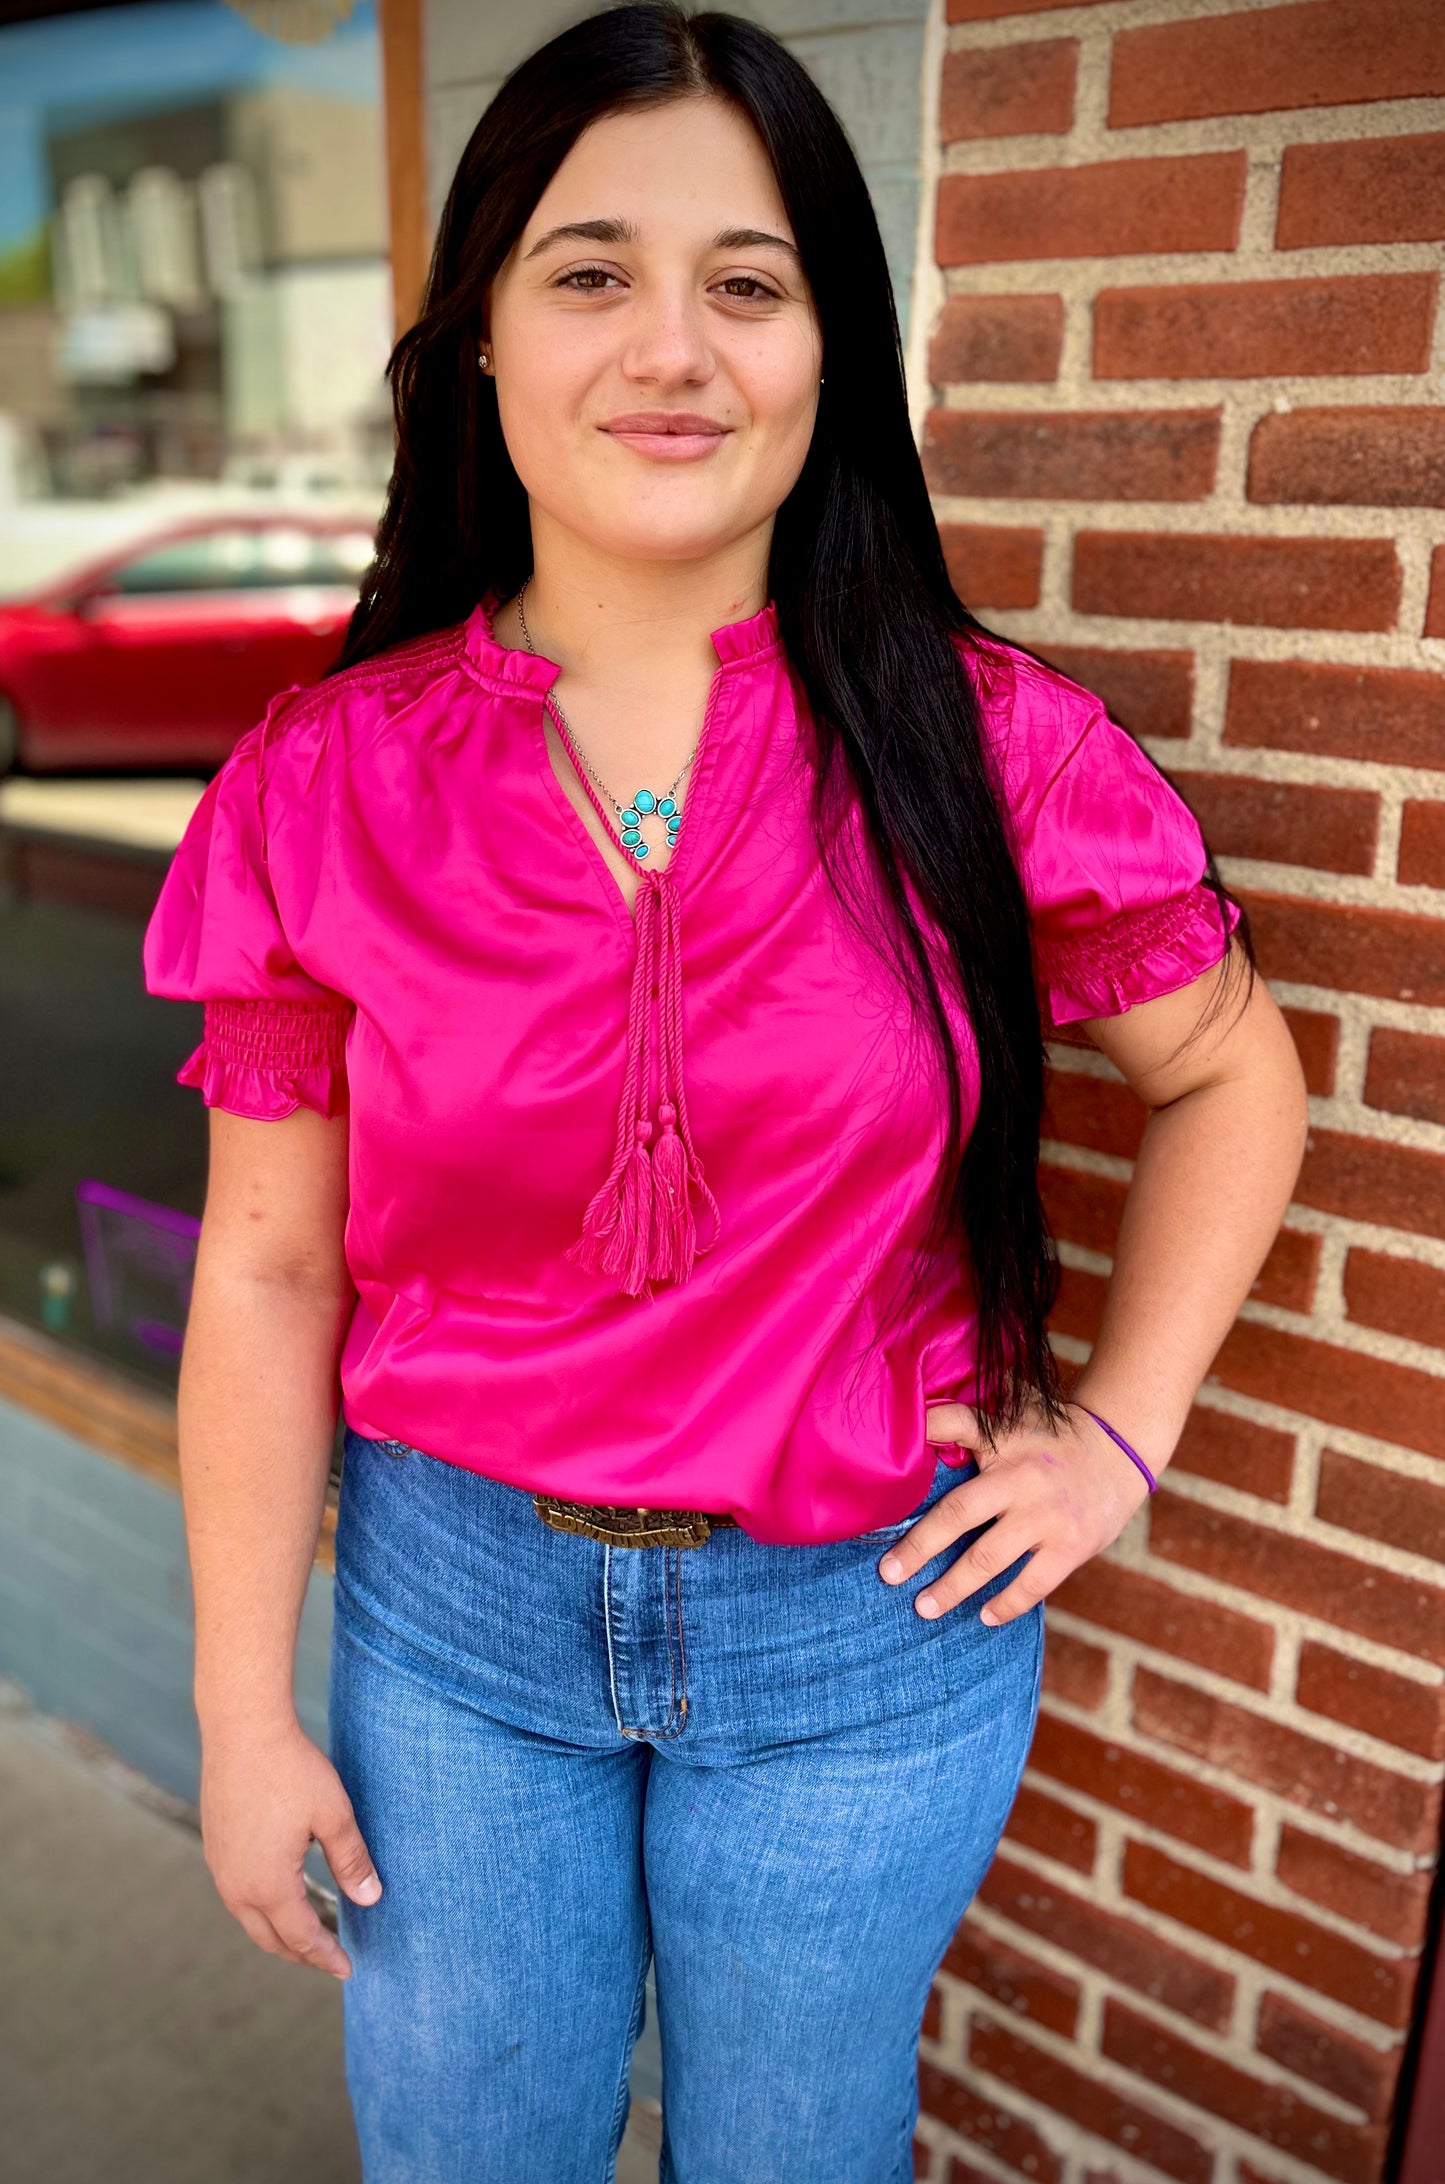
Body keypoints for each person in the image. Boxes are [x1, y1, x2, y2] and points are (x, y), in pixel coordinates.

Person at [142, 7, 1308, 2179]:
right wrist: (237, 1706)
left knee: (801, 2152)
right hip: (455, 1629)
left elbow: (1234, 1070)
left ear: (829, 354)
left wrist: (1117, 1438)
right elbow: (278, 1265)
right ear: (479, 337)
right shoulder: (325, 784)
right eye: (589, 272)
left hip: (873, 1630)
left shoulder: (996, 748)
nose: (669, 345)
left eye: (746, 284)